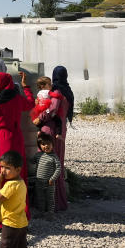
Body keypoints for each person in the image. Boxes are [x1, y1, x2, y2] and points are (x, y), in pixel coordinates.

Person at [0, 71, 35, 228]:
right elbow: (30, 103)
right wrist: (26, 87)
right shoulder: (16, 98)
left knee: (1, 174)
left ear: (0, 85)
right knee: (18, 173)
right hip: (16, 137)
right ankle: (20, 214)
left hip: (2, 138)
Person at [50, 66, 74, 212]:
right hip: (62, 129)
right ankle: (61, 199)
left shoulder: (56, 91)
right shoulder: (68, 90)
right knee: (59, 161)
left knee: (51, 163)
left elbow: (52, 111)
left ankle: (53, 201)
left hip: (54, 129)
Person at [33, 133, 62, 219]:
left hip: (50, 182)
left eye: (48, 144)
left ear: (52, 145)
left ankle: (50, 213)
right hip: (39, 181)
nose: (46, 146)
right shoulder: (38, 155)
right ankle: (41, 212)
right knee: (40, 198)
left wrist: (52, 178)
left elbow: (58, 168)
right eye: (43, 144)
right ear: (39, 146)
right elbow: (32, 161)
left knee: (50, 198)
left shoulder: (54, 157)